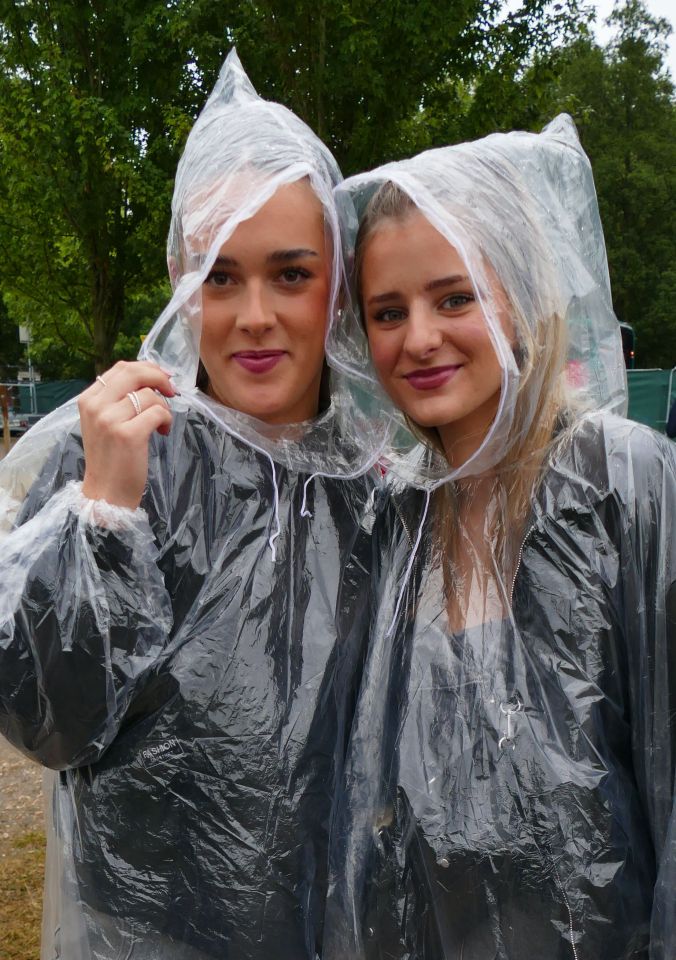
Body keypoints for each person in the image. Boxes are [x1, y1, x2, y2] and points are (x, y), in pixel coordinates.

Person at [0, 51, 384, 960]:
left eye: (291, 274)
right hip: (144, 933)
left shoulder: (381, 486)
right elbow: (45, 723)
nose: (254, 315)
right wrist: (102, 516)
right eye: (220, 274)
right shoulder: (124, 454)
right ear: (181, 277)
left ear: (337, 280)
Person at [323, 115, 676, 959]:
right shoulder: (395, 528)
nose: (420, 338)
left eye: (455, 297)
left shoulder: (625, 487)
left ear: (519, 296)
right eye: (386, 310)